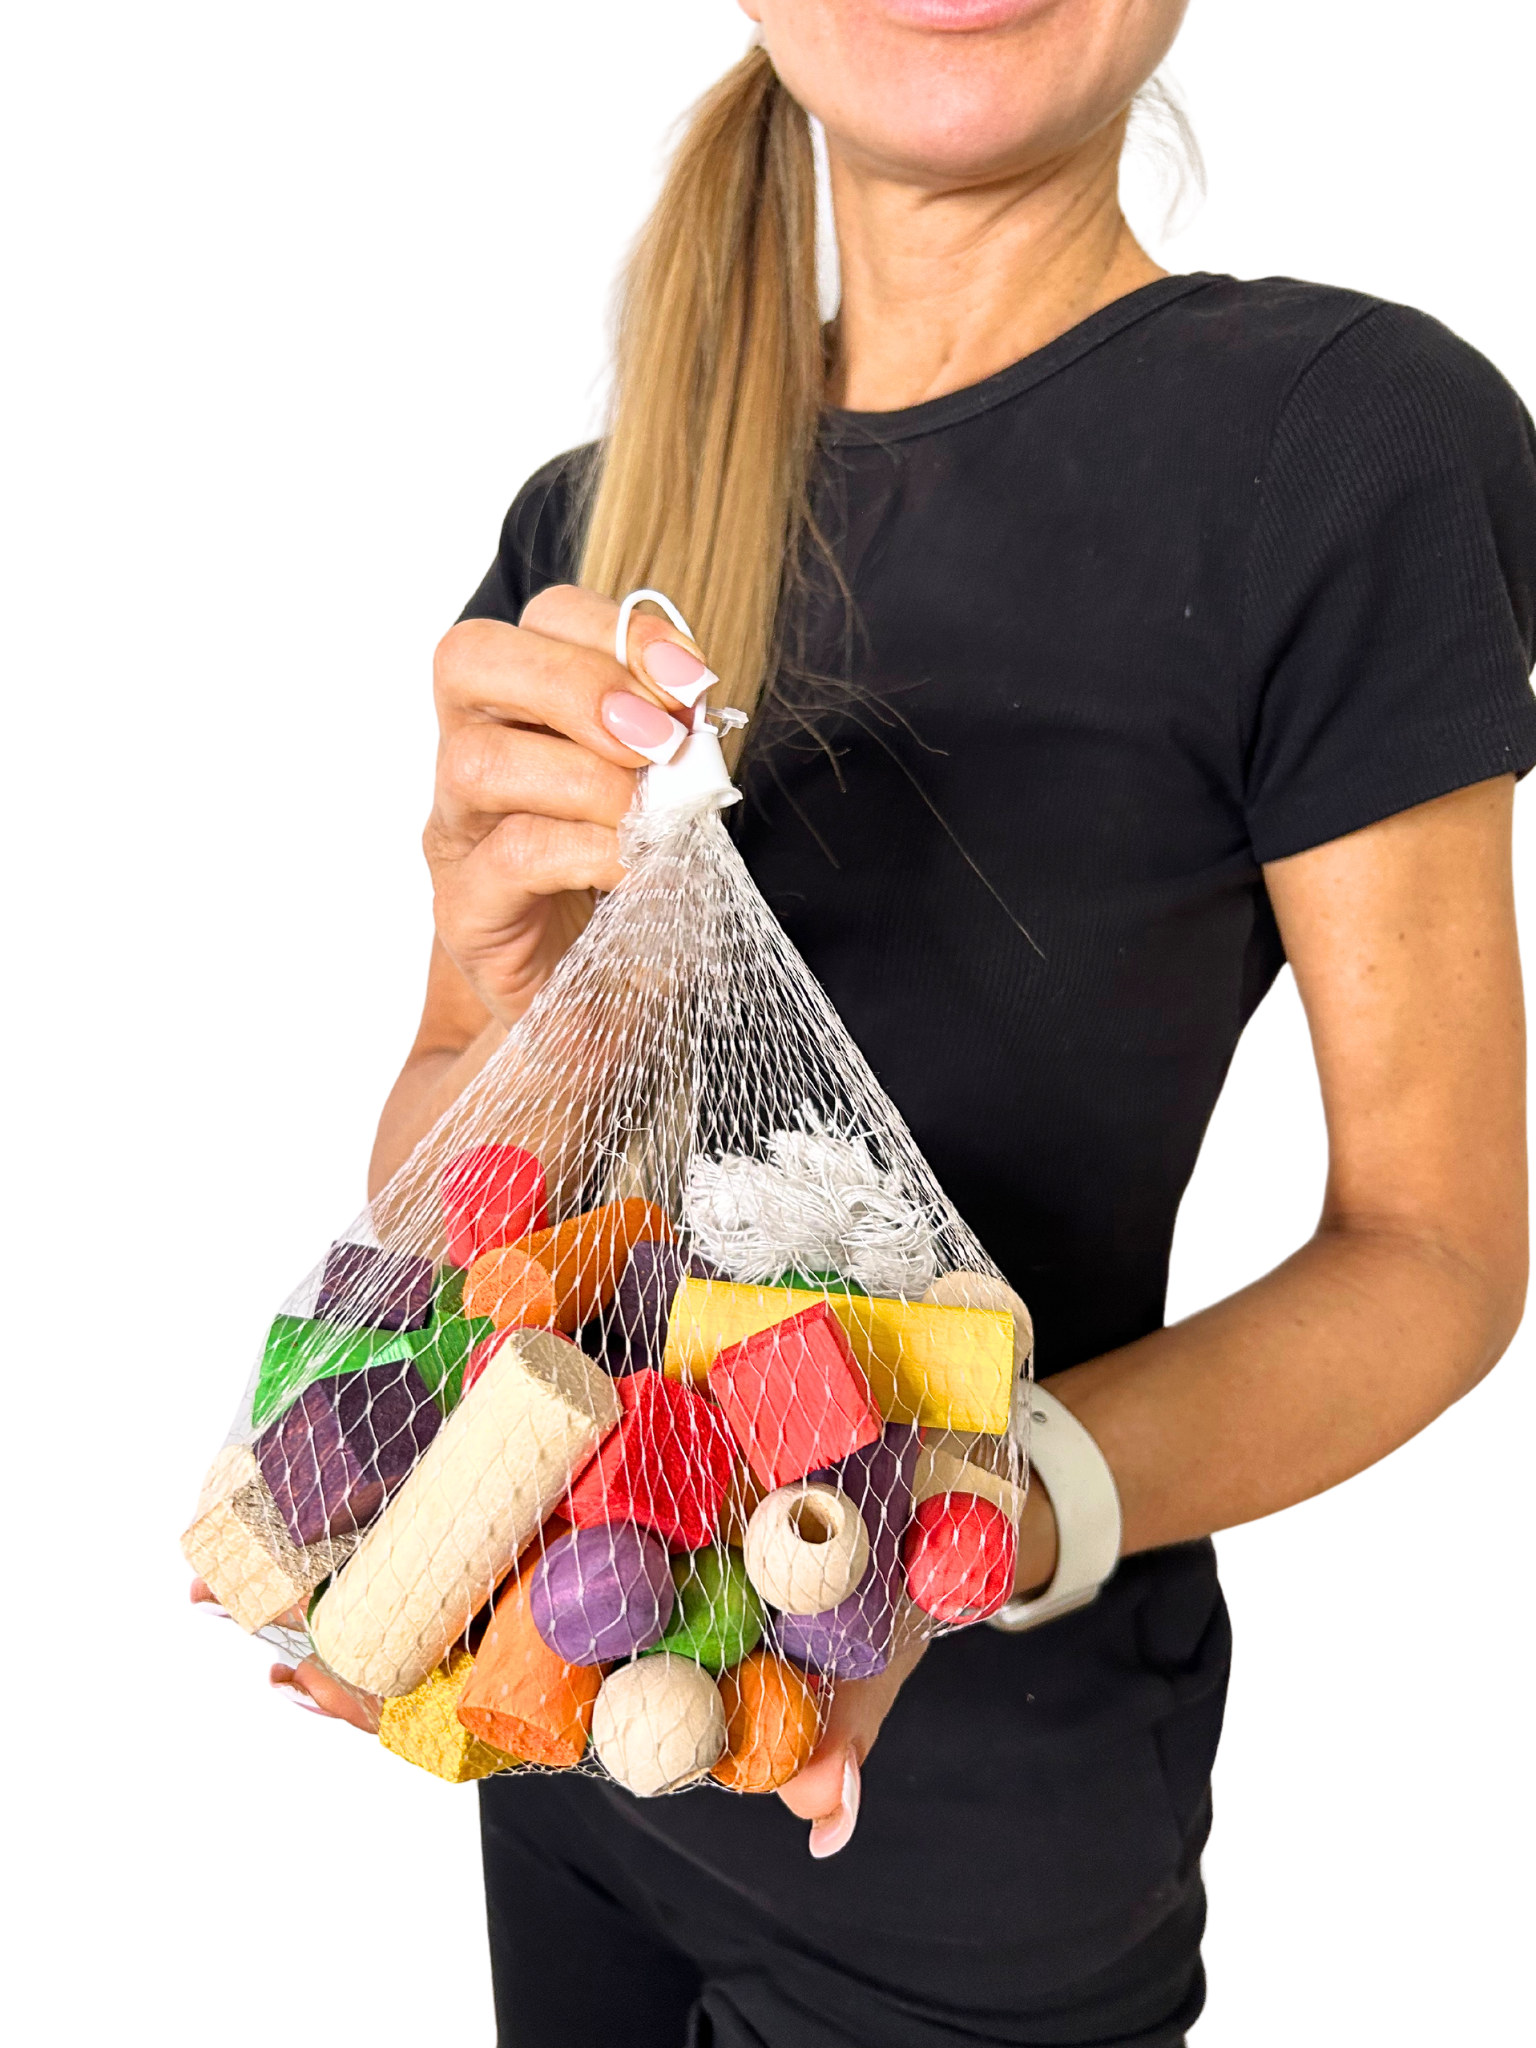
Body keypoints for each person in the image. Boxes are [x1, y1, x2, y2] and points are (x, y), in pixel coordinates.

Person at [252, 4, 1536, 2042]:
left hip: (973, 1865)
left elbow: (1437, 1248)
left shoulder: (1336, 447)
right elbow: (459, 1210)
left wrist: (977, 1512)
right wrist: (505, 994)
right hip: (576, 1726)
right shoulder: (592, 529)